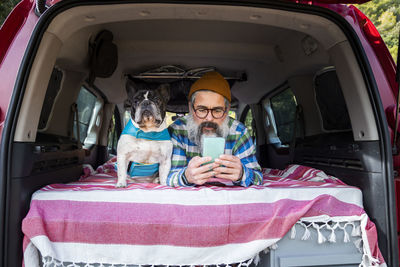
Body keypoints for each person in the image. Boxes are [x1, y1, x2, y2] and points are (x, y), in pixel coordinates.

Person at [167, 71, 263, 187]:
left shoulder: (239, 132)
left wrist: (242, 173)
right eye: (202, 110)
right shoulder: (177, 130)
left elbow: (257, 178)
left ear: (227, 110)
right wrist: (185, 176)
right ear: (191, 108)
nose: (209, 118)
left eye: (217, 110)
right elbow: (168, 176)